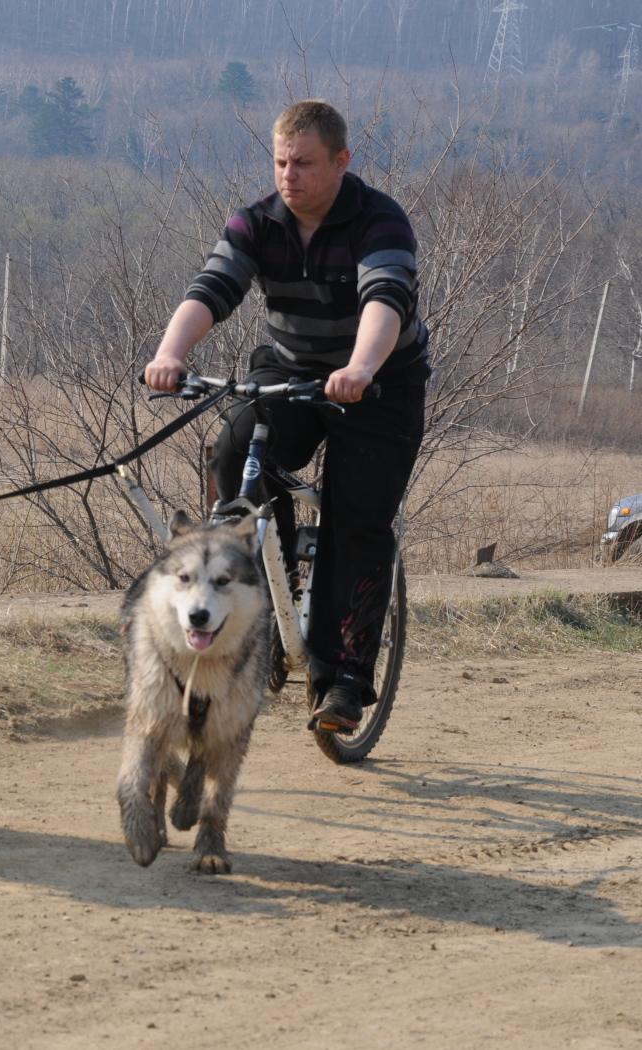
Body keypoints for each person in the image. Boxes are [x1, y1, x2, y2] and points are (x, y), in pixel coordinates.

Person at [143, 99, 430, 734]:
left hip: (380, 382)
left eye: (303, 162)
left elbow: (384, 298)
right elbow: (212, 288)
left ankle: (343, 678)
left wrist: (359, 368)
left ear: (340, 161)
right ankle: (272, 611)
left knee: (356, 519)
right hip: (292, 367)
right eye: (279, 162)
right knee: (233, 457)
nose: (288, 175)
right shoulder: (258, 222)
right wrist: (169, 353)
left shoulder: (378, 219)